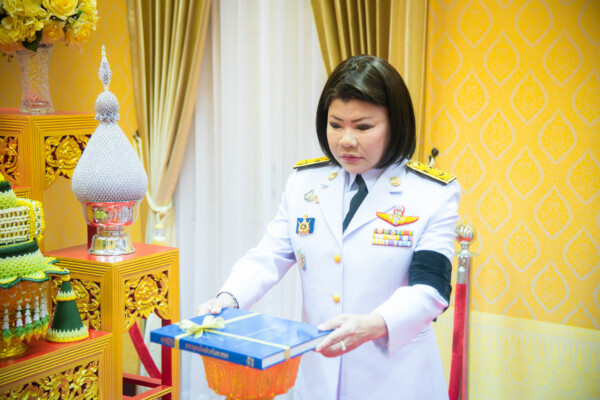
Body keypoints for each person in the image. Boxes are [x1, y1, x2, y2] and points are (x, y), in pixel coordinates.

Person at [196, 55, 460, 400]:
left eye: (363, 127)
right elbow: (270, 254)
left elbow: (431, 289)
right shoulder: (306, 183)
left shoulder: (430, 193)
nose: (346, 140)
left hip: (395, 379)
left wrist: (374, 324)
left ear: (395, 124)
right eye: (336, 125)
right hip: (317, 377)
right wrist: (228, 298)